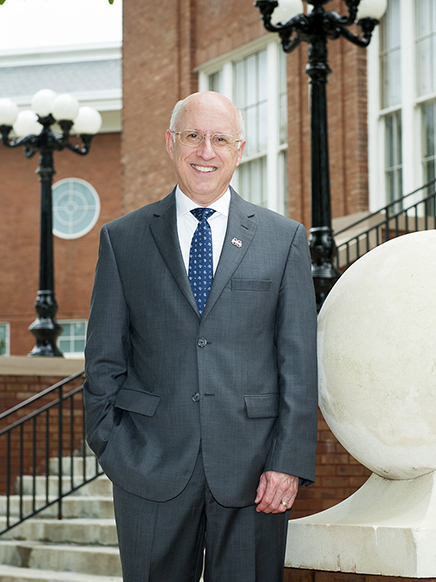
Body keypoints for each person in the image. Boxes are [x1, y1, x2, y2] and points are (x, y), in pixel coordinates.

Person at [83, 91, 318, 582]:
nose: (205, 151)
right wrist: (112, 447)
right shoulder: (123, 239)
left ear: (240, 148)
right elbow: (104, 360)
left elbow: (297, 364)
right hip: (148, 467)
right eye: (193, 136)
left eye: (219, 139)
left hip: (256, 472)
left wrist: (287, 462)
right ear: (172, 143)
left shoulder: (284, 239)